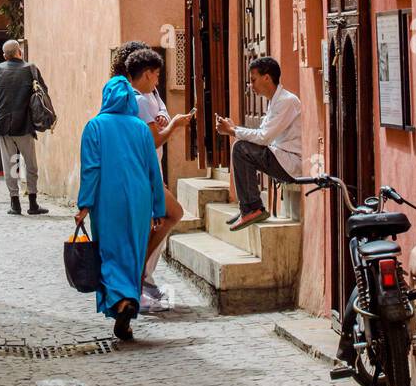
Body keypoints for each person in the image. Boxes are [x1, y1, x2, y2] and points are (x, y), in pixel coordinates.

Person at [76, 74, 166, 341]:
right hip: (139, 201)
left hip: (107, 199)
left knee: (110, 252)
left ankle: (121, 301)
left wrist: (84, 204)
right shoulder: (140, 127)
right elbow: (153, 170)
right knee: (133, 253)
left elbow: (91, 169)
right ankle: (127, 307)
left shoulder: (94, 127)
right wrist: (158, 208)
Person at [116, 44, 194, 312]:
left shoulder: (143, 96)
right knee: (172, 214)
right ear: (148, 73)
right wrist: (175, 125)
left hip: (144, 171)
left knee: (160, 220)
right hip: (144, 172)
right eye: (157, 75)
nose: (159, 80)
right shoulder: (137, 99)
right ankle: (137, 275)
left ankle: (139, 278)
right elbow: (152, 140)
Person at [215, 55, 302, 231]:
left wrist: (233, 131)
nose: (251, 85)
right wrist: (235, 129)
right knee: (241, 147)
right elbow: (262, 134)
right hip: (280, 157)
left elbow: (264, 137)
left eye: (253, 80)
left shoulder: (287, 101)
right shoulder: (275, 102)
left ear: (267, 77)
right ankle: (247, 207)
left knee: (240, 148)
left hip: (291, 163)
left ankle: (252, 207)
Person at [0, 38, 49, 217]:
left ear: (4, 55)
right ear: (19, 52)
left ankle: (15, 203)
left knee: (11, 164)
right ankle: (33, 203)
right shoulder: (30, 68)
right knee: (31, 165)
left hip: (4, 124)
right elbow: (43, 93)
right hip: (25, 124)